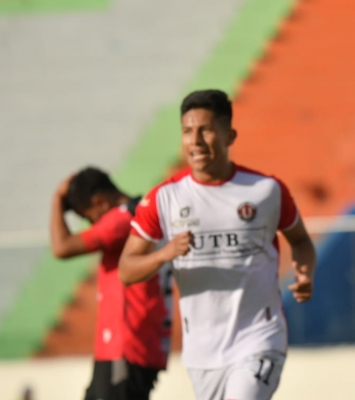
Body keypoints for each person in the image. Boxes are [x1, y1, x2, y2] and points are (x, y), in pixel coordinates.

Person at [118, 89, 316, 400]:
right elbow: (127, 270)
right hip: (202, 353)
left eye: (205, 129)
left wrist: (304, 273)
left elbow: (301, 240)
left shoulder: (266, 190)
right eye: (187, 131)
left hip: (258, 338)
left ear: (229, 135)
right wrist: (165, 254)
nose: (194, 140)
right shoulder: (163, 199)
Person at [50, 167, 172, 400]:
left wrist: (57, 198)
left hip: (127, 345)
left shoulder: (123, 217)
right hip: (133, 345)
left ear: (100, 202)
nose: (92, 225)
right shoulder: (141, 213)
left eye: (90, 218)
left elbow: (62, 247)